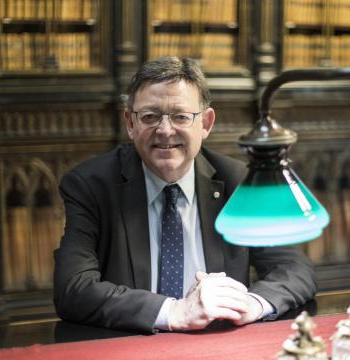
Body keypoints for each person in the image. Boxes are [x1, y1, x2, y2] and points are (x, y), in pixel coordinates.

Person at [53, 56, 316, 333]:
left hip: (218, 344)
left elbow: (295, 267)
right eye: (150, 116)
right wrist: (174, 311)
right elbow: (73, 289)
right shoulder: (91, 185)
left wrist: (251, 303)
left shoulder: (239, 182)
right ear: (130, 123)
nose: (165, 131)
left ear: (205, 124)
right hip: (133, 344)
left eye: (180, 116)